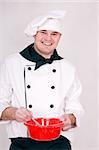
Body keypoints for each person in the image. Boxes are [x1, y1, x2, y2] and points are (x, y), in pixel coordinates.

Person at [0, 10, 84, 150]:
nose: (48, 38)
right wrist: (14, 113)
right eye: (43, 32)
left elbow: (75, 107)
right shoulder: (11, 63)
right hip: (22, 142)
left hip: (59, 142)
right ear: (35, 34)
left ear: (60, 37)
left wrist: (70, 118)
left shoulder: (69, 68)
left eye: (54, 34)